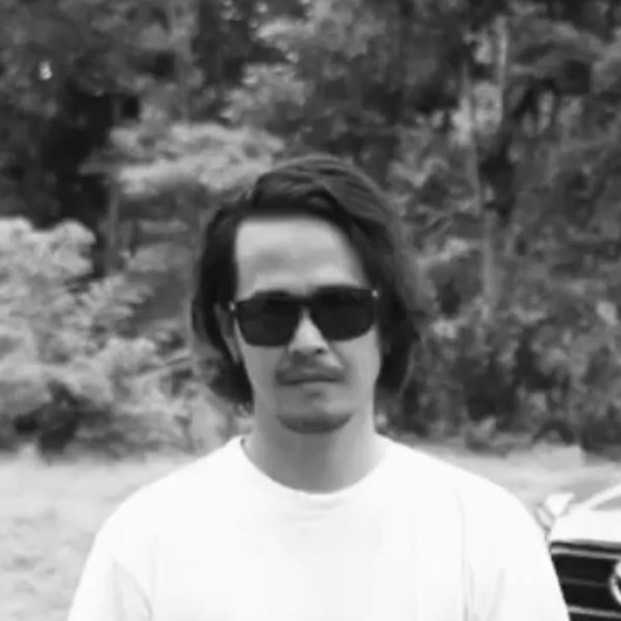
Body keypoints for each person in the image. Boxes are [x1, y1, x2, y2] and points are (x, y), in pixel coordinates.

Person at [67, 154, 569, 621]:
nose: (307, 342)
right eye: (271, 313)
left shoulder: (485, 538)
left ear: (386, 320)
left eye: (340, 308)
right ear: (229, 332)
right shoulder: (145, 546)